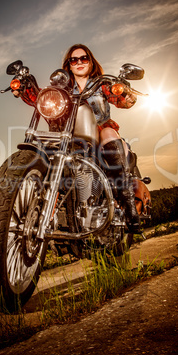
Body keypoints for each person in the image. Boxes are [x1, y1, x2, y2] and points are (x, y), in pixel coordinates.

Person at [62, 44, 140, 233]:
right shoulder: (63, 88)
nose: (79, 62)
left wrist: (122, 91)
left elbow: (125, 101)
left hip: (99, 132)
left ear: (90, 62)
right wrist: (24, 88)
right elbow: (41, 98)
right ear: (69, 65)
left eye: (84, 58)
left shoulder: (102, 84)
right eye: (74, 59)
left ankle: (128, 204)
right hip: (72, 136)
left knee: (108, 132)